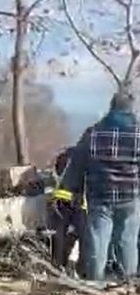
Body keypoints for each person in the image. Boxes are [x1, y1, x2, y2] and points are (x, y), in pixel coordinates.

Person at [65, 89, 140, 282]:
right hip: (129, 197)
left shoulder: (93, 132)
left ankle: (95, 283)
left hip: (100, 196)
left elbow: (77, 164)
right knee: (127, 241)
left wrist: (74, 190)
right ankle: (127, 285)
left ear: (112, 107)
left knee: (98, 241)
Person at [48, 146, 86, 276]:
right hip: (78, 202)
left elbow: (57, 173)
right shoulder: (88, 157)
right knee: (84, 237)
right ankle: (82, 270)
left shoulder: (66, 155)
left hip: (60, 201)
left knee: (59, 236)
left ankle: (57, 266)